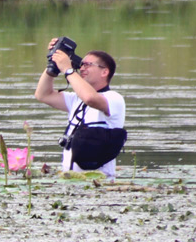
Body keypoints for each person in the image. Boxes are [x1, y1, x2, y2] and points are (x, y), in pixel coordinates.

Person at [34, 38, 127, 179]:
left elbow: (90, 98)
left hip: (100, 182)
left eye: (88, 65)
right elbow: (43, 95)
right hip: (71, 181)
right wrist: (53, 65)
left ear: (104, 72)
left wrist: (68, 69)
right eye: (81, 64)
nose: (82, 68)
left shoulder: (114, 99)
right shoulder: (76, 99)